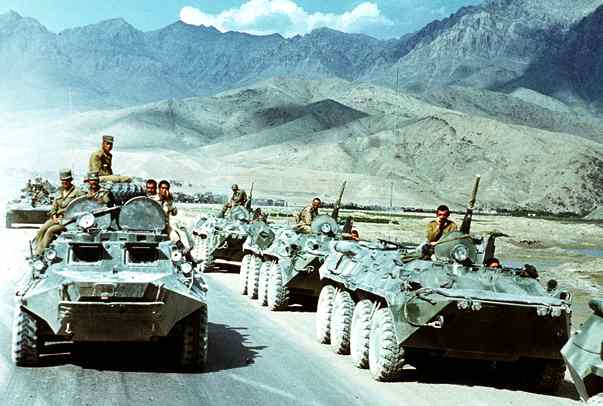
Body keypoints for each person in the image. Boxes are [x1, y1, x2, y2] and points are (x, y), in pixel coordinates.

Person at [33, 169, 84, 256]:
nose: (64, 182)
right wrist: (54, 217)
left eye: (67, 180)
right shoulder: (58, 191)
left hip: (69, 221)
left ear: (71, 180)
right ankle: (36, 250)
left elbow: (82, 207)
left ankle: (40, 254)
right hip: (57, 218)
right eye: (62, 180)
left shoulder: (78, 192)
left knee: (50, 231)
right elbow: (53, 208)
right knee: (41, 230)